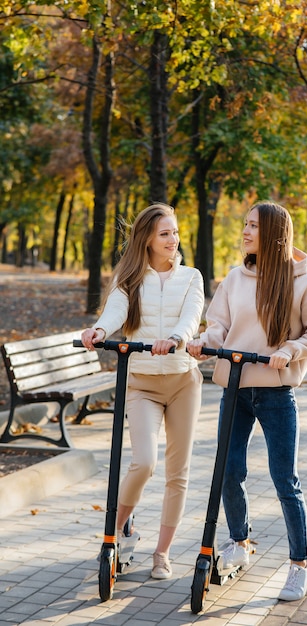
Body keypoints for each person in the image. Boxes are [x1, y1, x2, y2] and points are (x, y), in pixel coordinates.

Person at [187, 201, 307, 601]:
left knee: (285, 480)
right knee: (228, 471)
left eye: (253, 226)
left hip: (275, 393)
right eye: (246, 224)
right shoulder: (235, 279)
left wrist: (290, 349)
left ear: (272, 234)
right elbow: (218, 327)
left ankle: (300, 563)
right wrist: (203, 344)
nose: (246, 231)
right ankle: (240, 541)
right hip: (235, 387)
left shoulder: (303, 284)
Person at [81, 203, 204, 580]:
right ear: (147, 239)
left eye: (175, 232)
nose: (173, 239)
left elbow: (192, 315)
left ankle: (162, 553)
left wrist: (177, 338)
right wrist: (100, 332)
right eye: (164, 233)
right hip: (142, 383)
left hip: (183, 380)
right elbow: (115, 310)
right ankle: (114, 531)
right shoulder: (130, 276)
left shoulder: (192, 277)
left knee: (177, 472)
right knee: (144, 462)